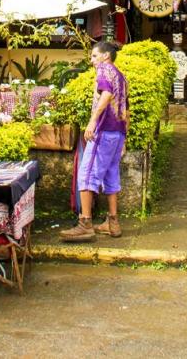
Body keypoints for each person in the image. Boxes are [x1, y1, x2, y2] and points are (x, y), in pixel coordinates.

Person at [60, 41, 128, 242]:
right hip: (117, 134)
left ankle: (85, 223)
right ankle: (112, 223)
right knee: (111, 175)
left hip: (103, 131)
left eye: (94, 56)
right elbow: (126, 110)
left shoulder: (104, 70)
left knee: (86, 174)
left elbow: (106, 94)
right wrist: (124, 138)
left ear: (106, 56)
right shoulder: (121, 75)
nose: (91, 61)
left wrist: (92, 122)